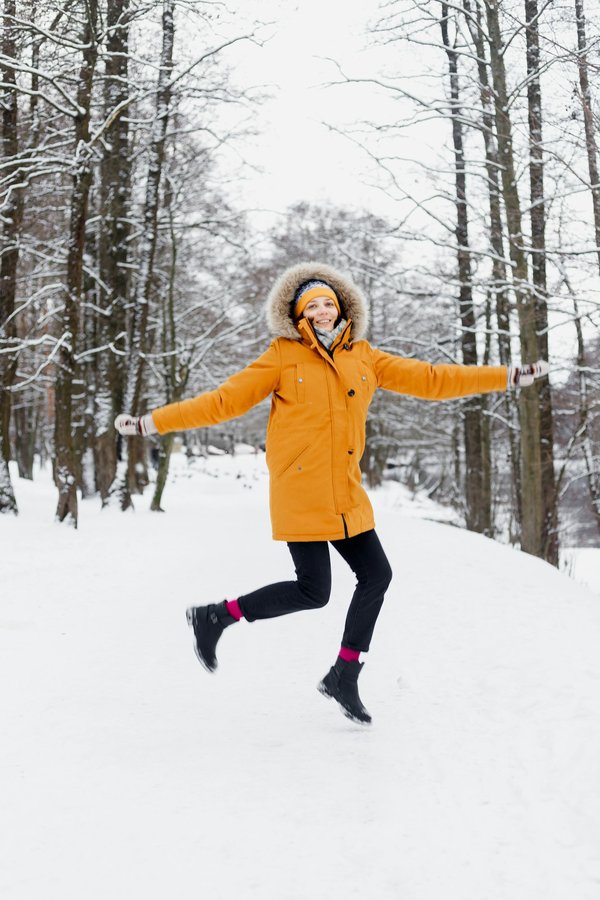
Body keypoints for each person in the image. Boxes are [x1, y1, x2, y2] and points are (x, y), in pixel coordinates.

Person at [115, 261, 549, 725]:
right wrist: (150, 423)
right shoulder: (282, 355)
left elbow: (433, 379)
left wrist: (506, 376)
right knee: (313, 590)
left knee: (377, 575)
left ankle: (345, 673)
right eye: (312, 305)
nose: (322, 310)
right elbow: (223, 401)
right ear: (298, 314)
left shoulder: (364, 357)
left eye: (328, 302)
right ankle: (216, 617)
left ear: (341, 306)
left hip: (345, 492)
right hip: (300, 489)